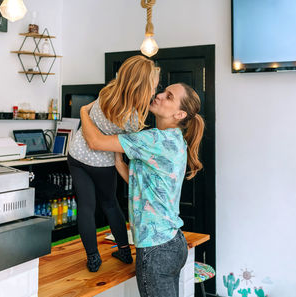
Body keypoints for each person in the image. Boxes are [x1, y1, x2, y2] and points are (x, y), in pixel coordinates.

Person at [79, 83, 205, 297]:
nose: (159, 95)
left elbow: (94, 141)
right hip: (172, 242)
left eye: (169, 96)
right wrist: (119, 157)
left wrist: (84, 111)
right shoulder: (174, 140)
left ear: (179, 114)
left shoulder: (155, 139)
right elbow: (144, 185)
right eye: (163, 91)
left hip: (157, 249)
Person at [67, 55, 160, 272]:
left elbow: (88, 111)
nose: (154, 90)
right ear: (142, 85)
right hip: (104, 162)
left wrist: (85, 113)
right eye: (153, 85)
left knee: (86, 207)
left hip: (78, 154)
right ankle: (125, 251)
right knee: (110, 204)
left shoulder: (106, 92)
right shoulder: (134, 118)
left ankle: (93, 259)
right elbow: (122, 146)